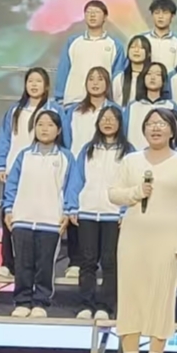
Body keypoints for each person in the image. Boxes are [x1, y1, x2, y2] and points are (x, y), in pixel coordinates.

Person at [107, 108, 177, 353]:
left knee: (161, 296)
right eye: (150, 123)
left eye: (161, 124)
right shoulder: (131, 161)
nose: (155, 128)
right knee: (130, 294)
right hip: (133, 235)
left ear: (172, 130)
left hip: (167, 237)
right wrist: (136, 192)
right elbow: (114, 194)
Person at [2, 109, 73, 318]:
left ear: (58, 130)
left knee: (45, 265)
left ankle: (40, 302)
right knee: (22, 263)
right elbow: (12, 185)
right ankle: (22, 301)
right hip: (22, 218)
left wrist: (68, 211)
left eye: (50, 125)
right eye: (40, 124)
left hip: (51, 220)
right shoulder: (24, 155)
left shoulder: (66, 157)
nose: (44, 129)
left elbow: (71, 187)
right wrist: (8, 209)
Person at [64, 105, 133, 320]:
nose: (108, 122)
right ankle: (86, 305)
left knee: (110, 262)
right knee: (87, 262)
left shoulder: (129, 152)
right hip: (87, 212)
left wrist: (125, 210)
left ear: (120, 123)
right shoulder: (88, 149)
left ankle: (105, 306)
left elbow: (132, 184)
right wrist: (72, 206)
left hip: (114, 215)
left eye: (112, 118)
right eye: (104, 118)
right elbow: (76, 179)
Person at [0, 67, 52, 278]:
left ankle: (34, 267)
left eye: (38, 81)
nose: (34, 85)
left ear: (46, 86)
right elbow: (4, 139)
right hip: (14, 172)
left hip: (43, 172)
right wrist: (0, 165)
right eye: (30, 81)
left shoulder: (53, 110)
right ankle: (7, 263)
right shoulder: (15, 111)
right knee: (8, 217)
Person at [53, 0, 126, 104]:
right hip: (74, 100)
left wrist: (115, 103)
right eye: (88, 12)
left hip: (102, 103)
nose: (92, 15)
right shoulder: (73, 42)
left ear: (105, 17)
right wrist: (59, 96)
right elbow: (64, 69)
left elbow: (117, 77)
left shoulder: (115, 45)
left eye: (96, 12)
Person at [61, 66, 116, 159]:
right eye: (91, 79)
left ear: (107, 83)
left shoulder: (114, 110)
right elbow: (66, 137)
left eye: (100, 79)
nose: (95, 83)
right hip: (76, 159)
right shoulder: (74, 110)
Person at [126, 63, 177, 150]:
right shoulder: (132, 106)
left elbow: (176, 135)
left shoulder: (171, 106)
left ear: (164, 80)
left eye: (158, 74)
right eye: (149, 74)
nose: (152, 77)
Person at [141, 0, 177, 71]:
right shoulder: (142, 40)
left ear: (172, 16)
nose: (160, 16)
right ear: (152, 15)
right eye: (157, 13)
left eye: (165, 13)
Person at [113, 35, 152, 107]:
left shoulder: (151, 77)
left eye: (141, 48)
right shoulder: (120, 77)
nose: (136, 50)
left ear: (149, 53)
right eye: (133, 47)